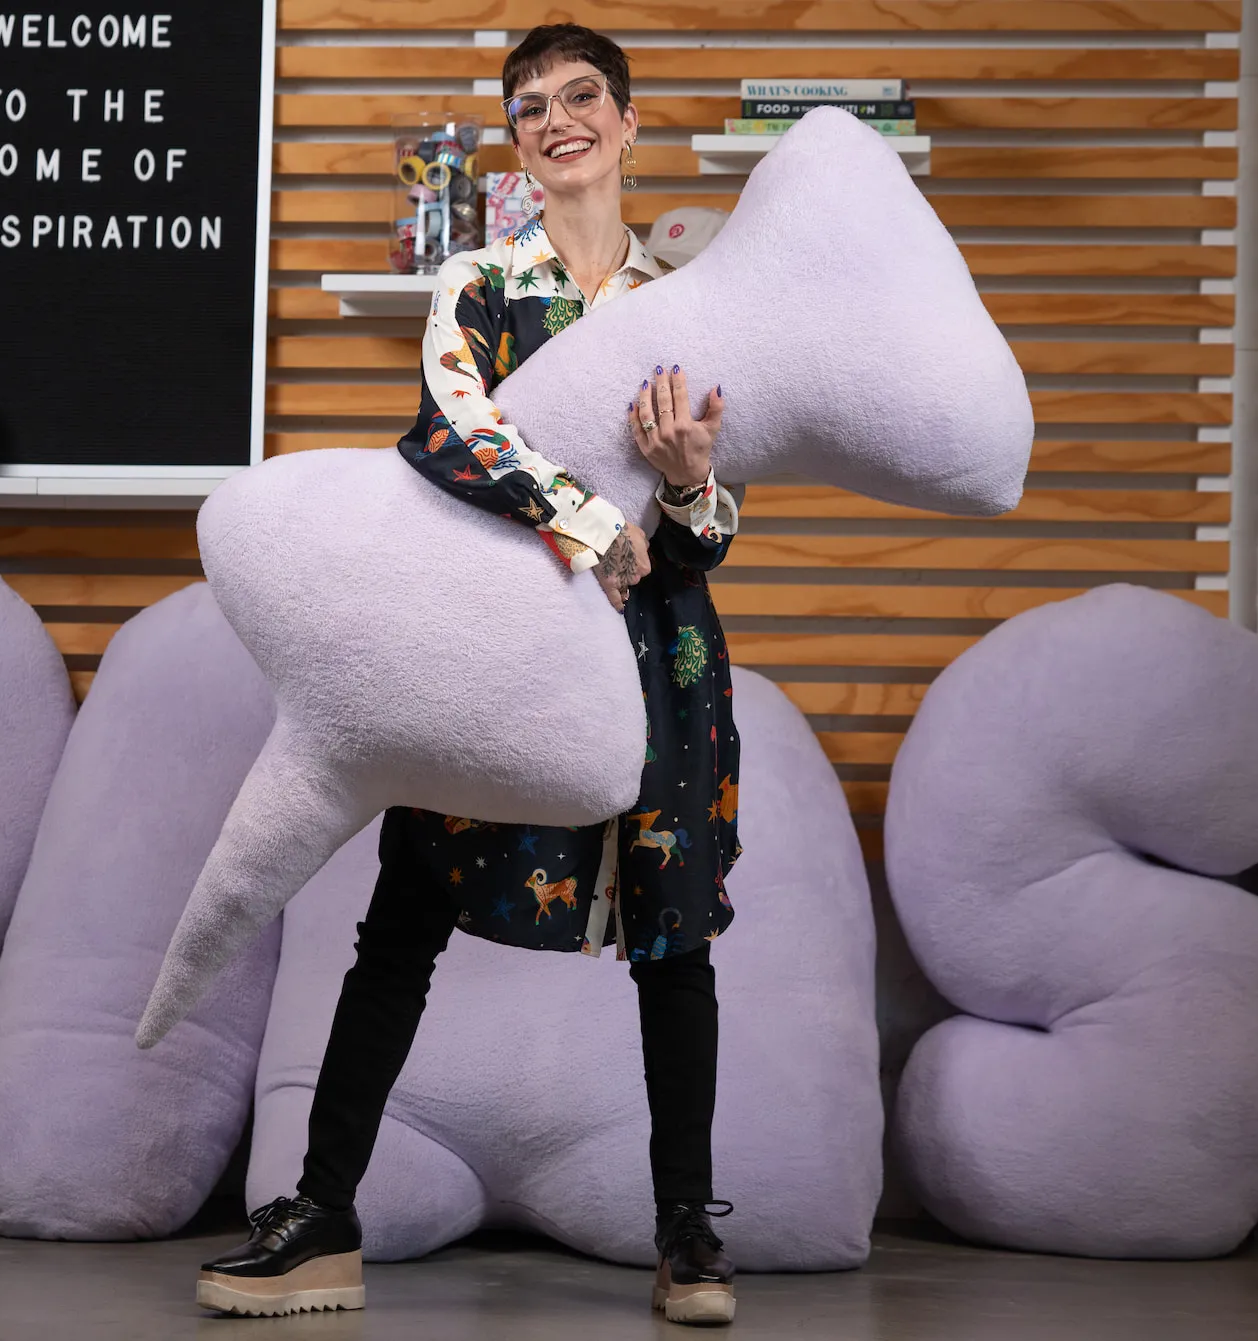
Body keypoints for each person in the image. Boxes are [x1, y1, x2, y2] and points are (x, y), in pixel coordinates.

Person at [195, 23, 741, 1327]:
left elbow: (716, 532)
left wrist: (682, 487)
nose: (556, 120)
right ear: (515, 142)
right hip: (493, 644)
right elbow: (448, 430)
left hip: (657, 655)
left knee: (674, 943)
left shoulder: (691, 303)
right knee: (401, 925)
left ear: (627, 117)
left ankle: (688, 1236)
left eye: (580, 97)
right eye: (530, 107)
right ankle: (322, 1215)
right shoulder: (481, 283)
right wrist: (582, 514)